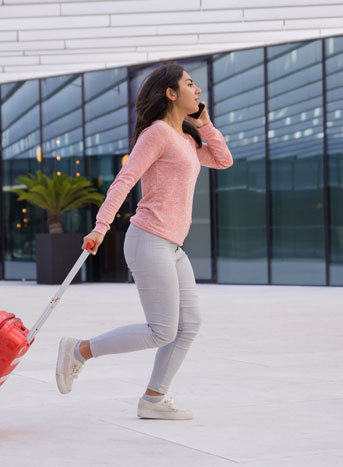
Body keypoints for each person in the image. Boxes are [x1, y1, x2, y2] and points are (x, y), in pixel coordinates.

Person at [56, 62, 233, 420]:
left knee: (189, 325)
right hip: (149, 238)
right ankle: (78, 350)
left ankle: (153, 399)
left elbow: (223, 160)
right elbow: (124, 180)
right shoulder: (156, 134)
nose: (197, 90)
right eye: (189, 83)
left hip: (171, 245)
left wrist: (205, 125)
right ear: (170, 93)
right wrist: (101, 227)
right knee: (162, 330)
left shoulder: (183, 139)